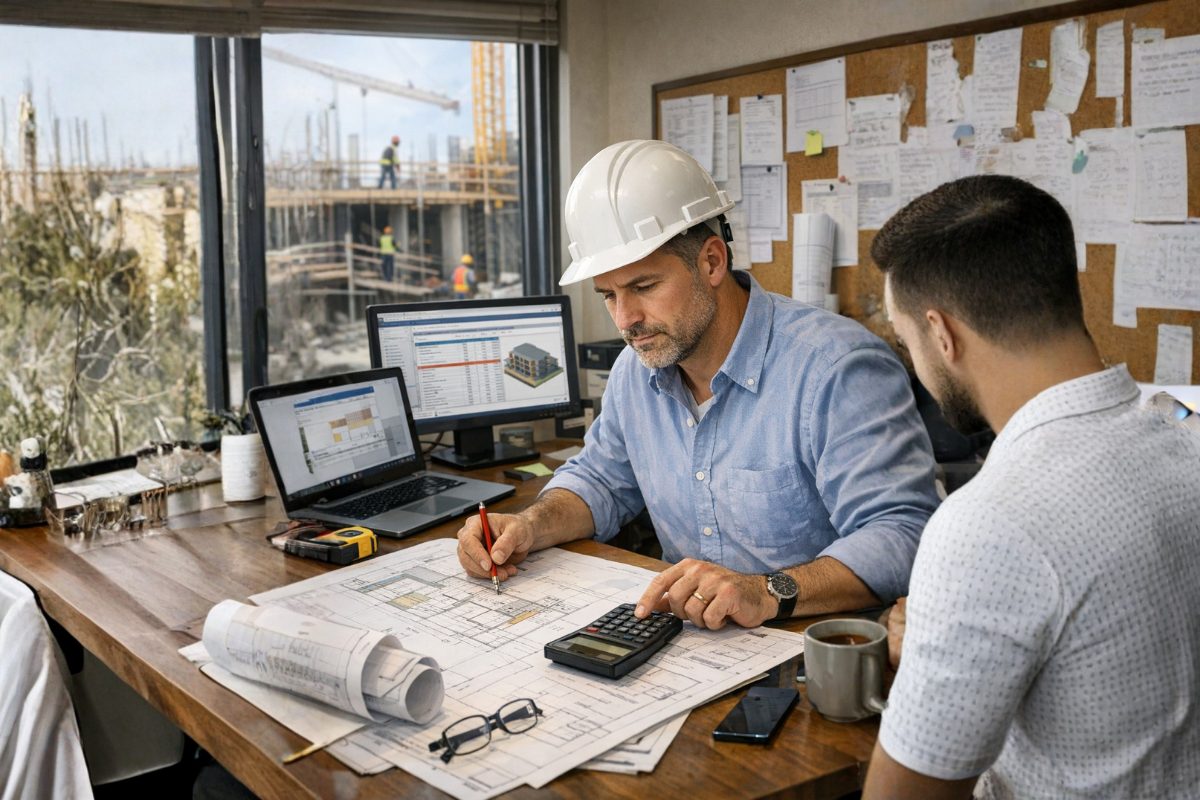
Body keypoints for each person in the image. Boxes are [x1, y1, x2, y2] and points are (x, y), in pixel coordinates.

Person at [457, 140, 939, 628]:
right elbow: (601, 481)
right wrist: (528, 526)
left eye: (644, 287)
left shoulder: (835, 368)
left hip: (813, 642)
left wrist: (765, 591)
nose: (626, 319)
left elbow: (902, 534)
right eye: (608, 296)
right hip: (691, 646)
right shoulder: (634, 369)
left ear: (711, 261)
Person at [862, 175, 1200, 799]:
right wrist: (951, 647)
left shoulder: (988, 524)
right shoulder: (1185, 431)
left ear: (942, 334)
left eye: (908, 342)